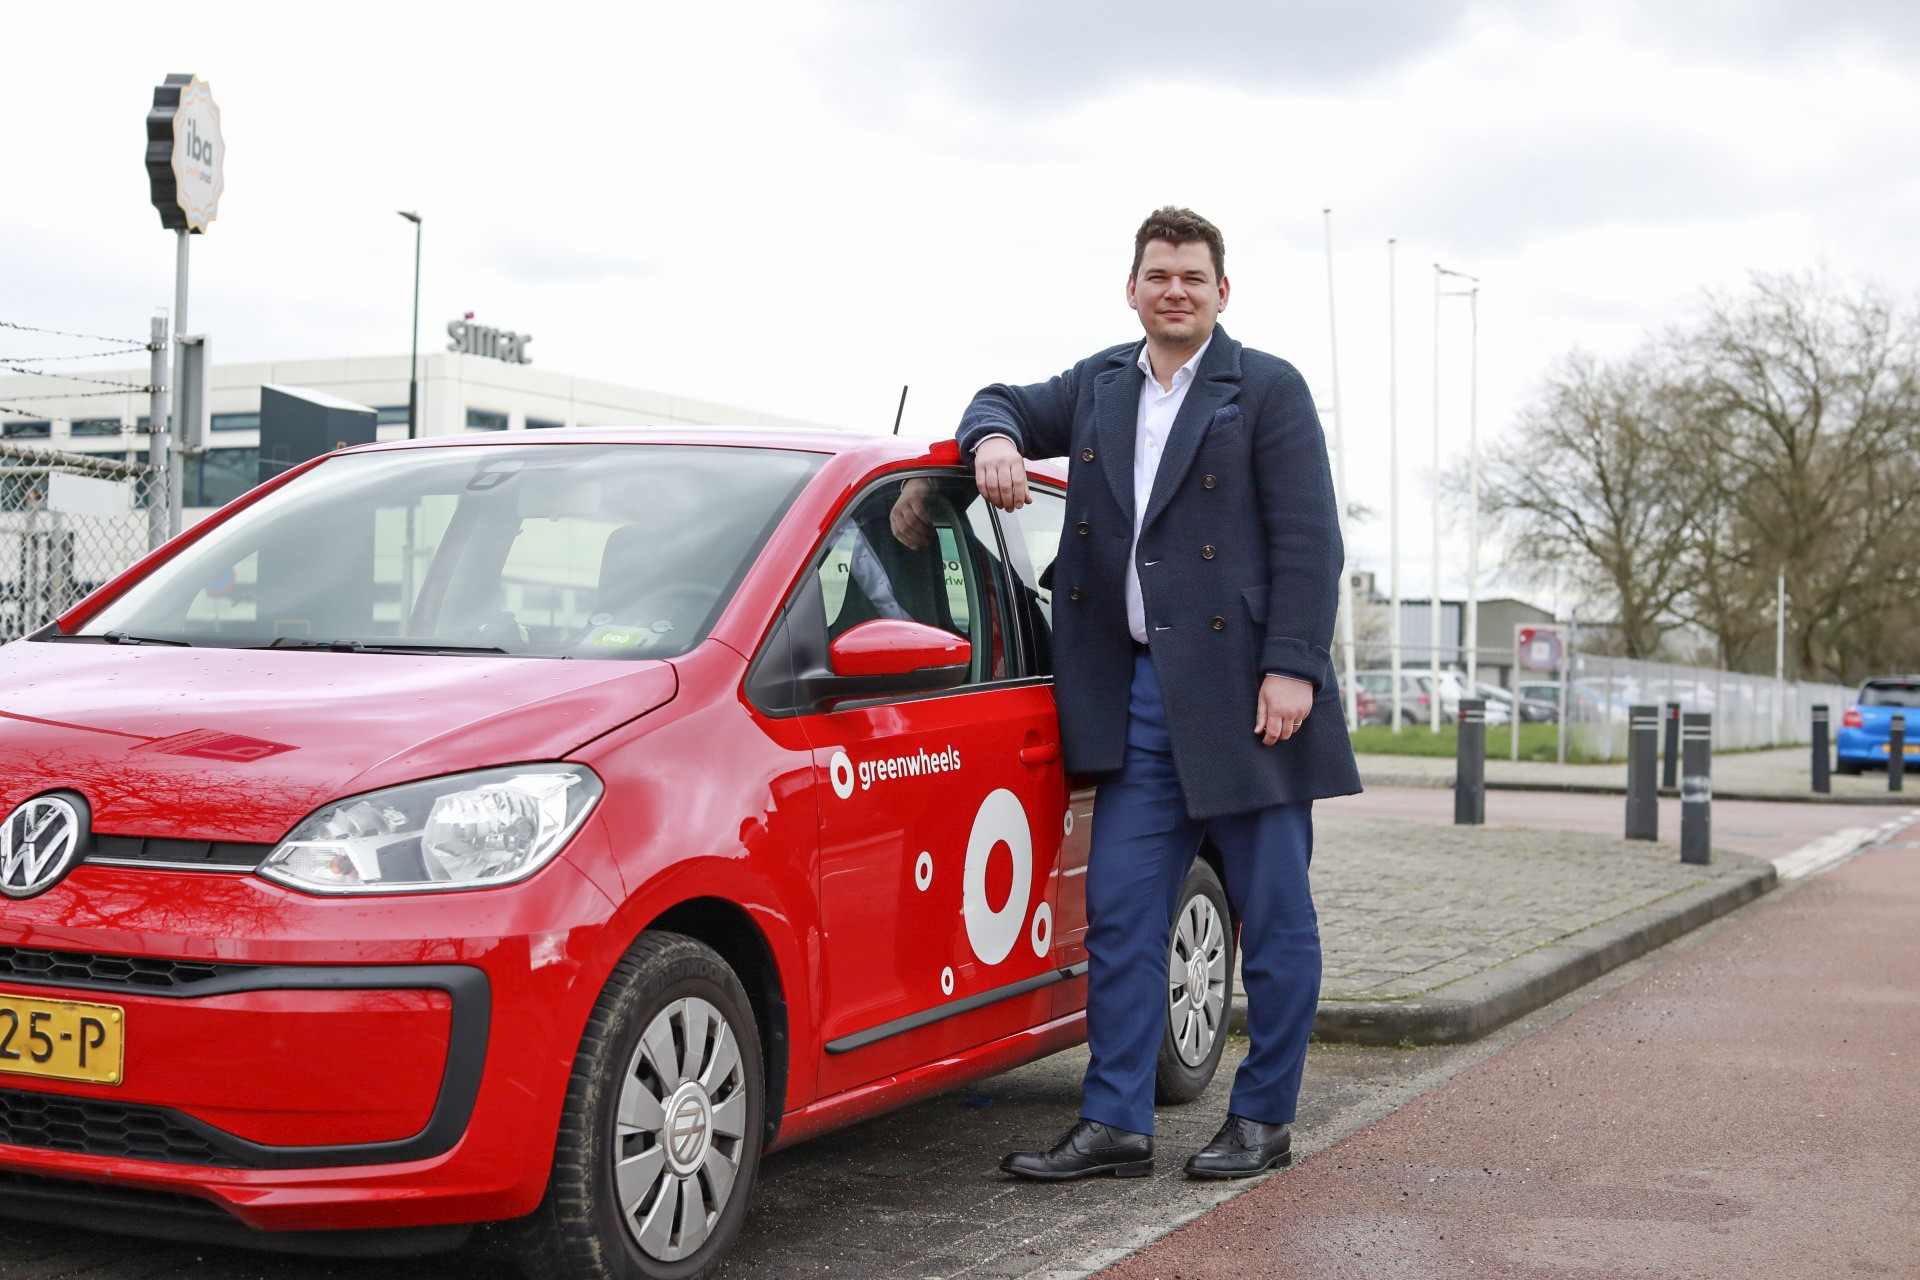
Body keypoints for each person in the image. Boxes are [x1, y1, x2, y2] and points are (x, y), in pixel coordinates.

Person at [950, 206, 1361, 1180]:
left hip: (1247, 696)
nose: (1175, 289)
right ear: (1131, 287)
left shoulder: (1265, 389)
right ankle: (1116, 1122)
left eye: (1193, 275)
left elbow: (1311, 540)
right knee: (1125, 911)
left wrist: (1294, 664)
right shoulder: (1099, 385)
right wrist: (995, 440)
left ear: (1223, 291)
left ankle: (1263, 1118)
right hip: (1135, 692)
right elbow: (996, 397)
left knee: (1273, 914)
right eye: (1158, 274)